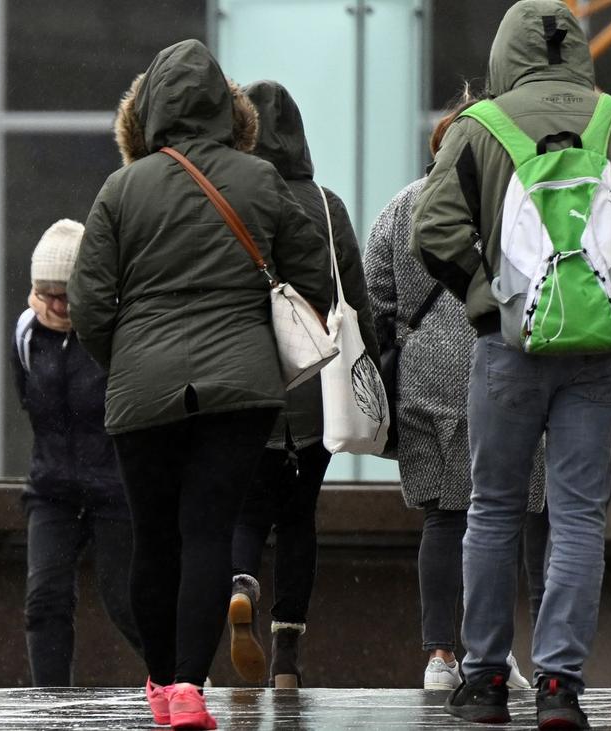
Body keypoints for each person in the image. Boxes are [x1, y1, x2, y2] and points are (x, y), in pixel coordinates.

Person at [69, 40, 333, 730]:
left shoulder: (120, 190)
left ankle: (158, 683)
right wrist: (256, 346)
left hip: (142, 392)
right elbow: (317, 279)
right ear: (228, 109)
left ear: (146, 113)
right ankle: (190, 687)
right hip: (239, 391)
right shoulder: (259, 181)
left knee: (154, 536)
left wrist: (127, 357)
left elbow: (90, 305)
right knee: (209, 530)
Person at [411, 2, 611, 726]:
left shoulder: (482, 127)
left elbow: (433, 228)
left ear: (508, 51)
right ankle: (561, 685)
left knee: (495, 507)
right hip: (600, 354)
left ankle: (483, 680)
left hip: (508, 349)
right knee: (576, 513)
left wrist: (491, 300)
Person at [365, 91, 547, 693]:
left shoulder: (402, 207)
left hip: (425, 376)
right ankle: (492, 652)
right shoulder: (512, 200)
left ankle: (440, 656)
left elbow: (377, 301)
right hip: (507, 363)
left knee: (445, 518)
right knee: (503, 512)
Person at [226, 80, 378, 690]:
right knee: (299, 518)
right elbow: (356, 298)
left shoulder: (233, 200)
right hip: (317, 383)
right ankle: (287, 659)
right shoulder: (325, 203)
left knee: (246, 506)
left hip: (249, 376)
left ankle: (240, 583)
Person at [12, 219, 141, 687]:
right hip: (51, 488)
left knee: (125, 601)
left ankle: (178, 680)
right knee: (44, 598)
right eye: (47, 295)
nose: (58, 306)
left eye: (67, 295)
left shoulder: (113, 333)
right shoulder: (27, 334)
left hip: (114, 488)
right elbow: (30, 404)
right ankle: (50, 702)